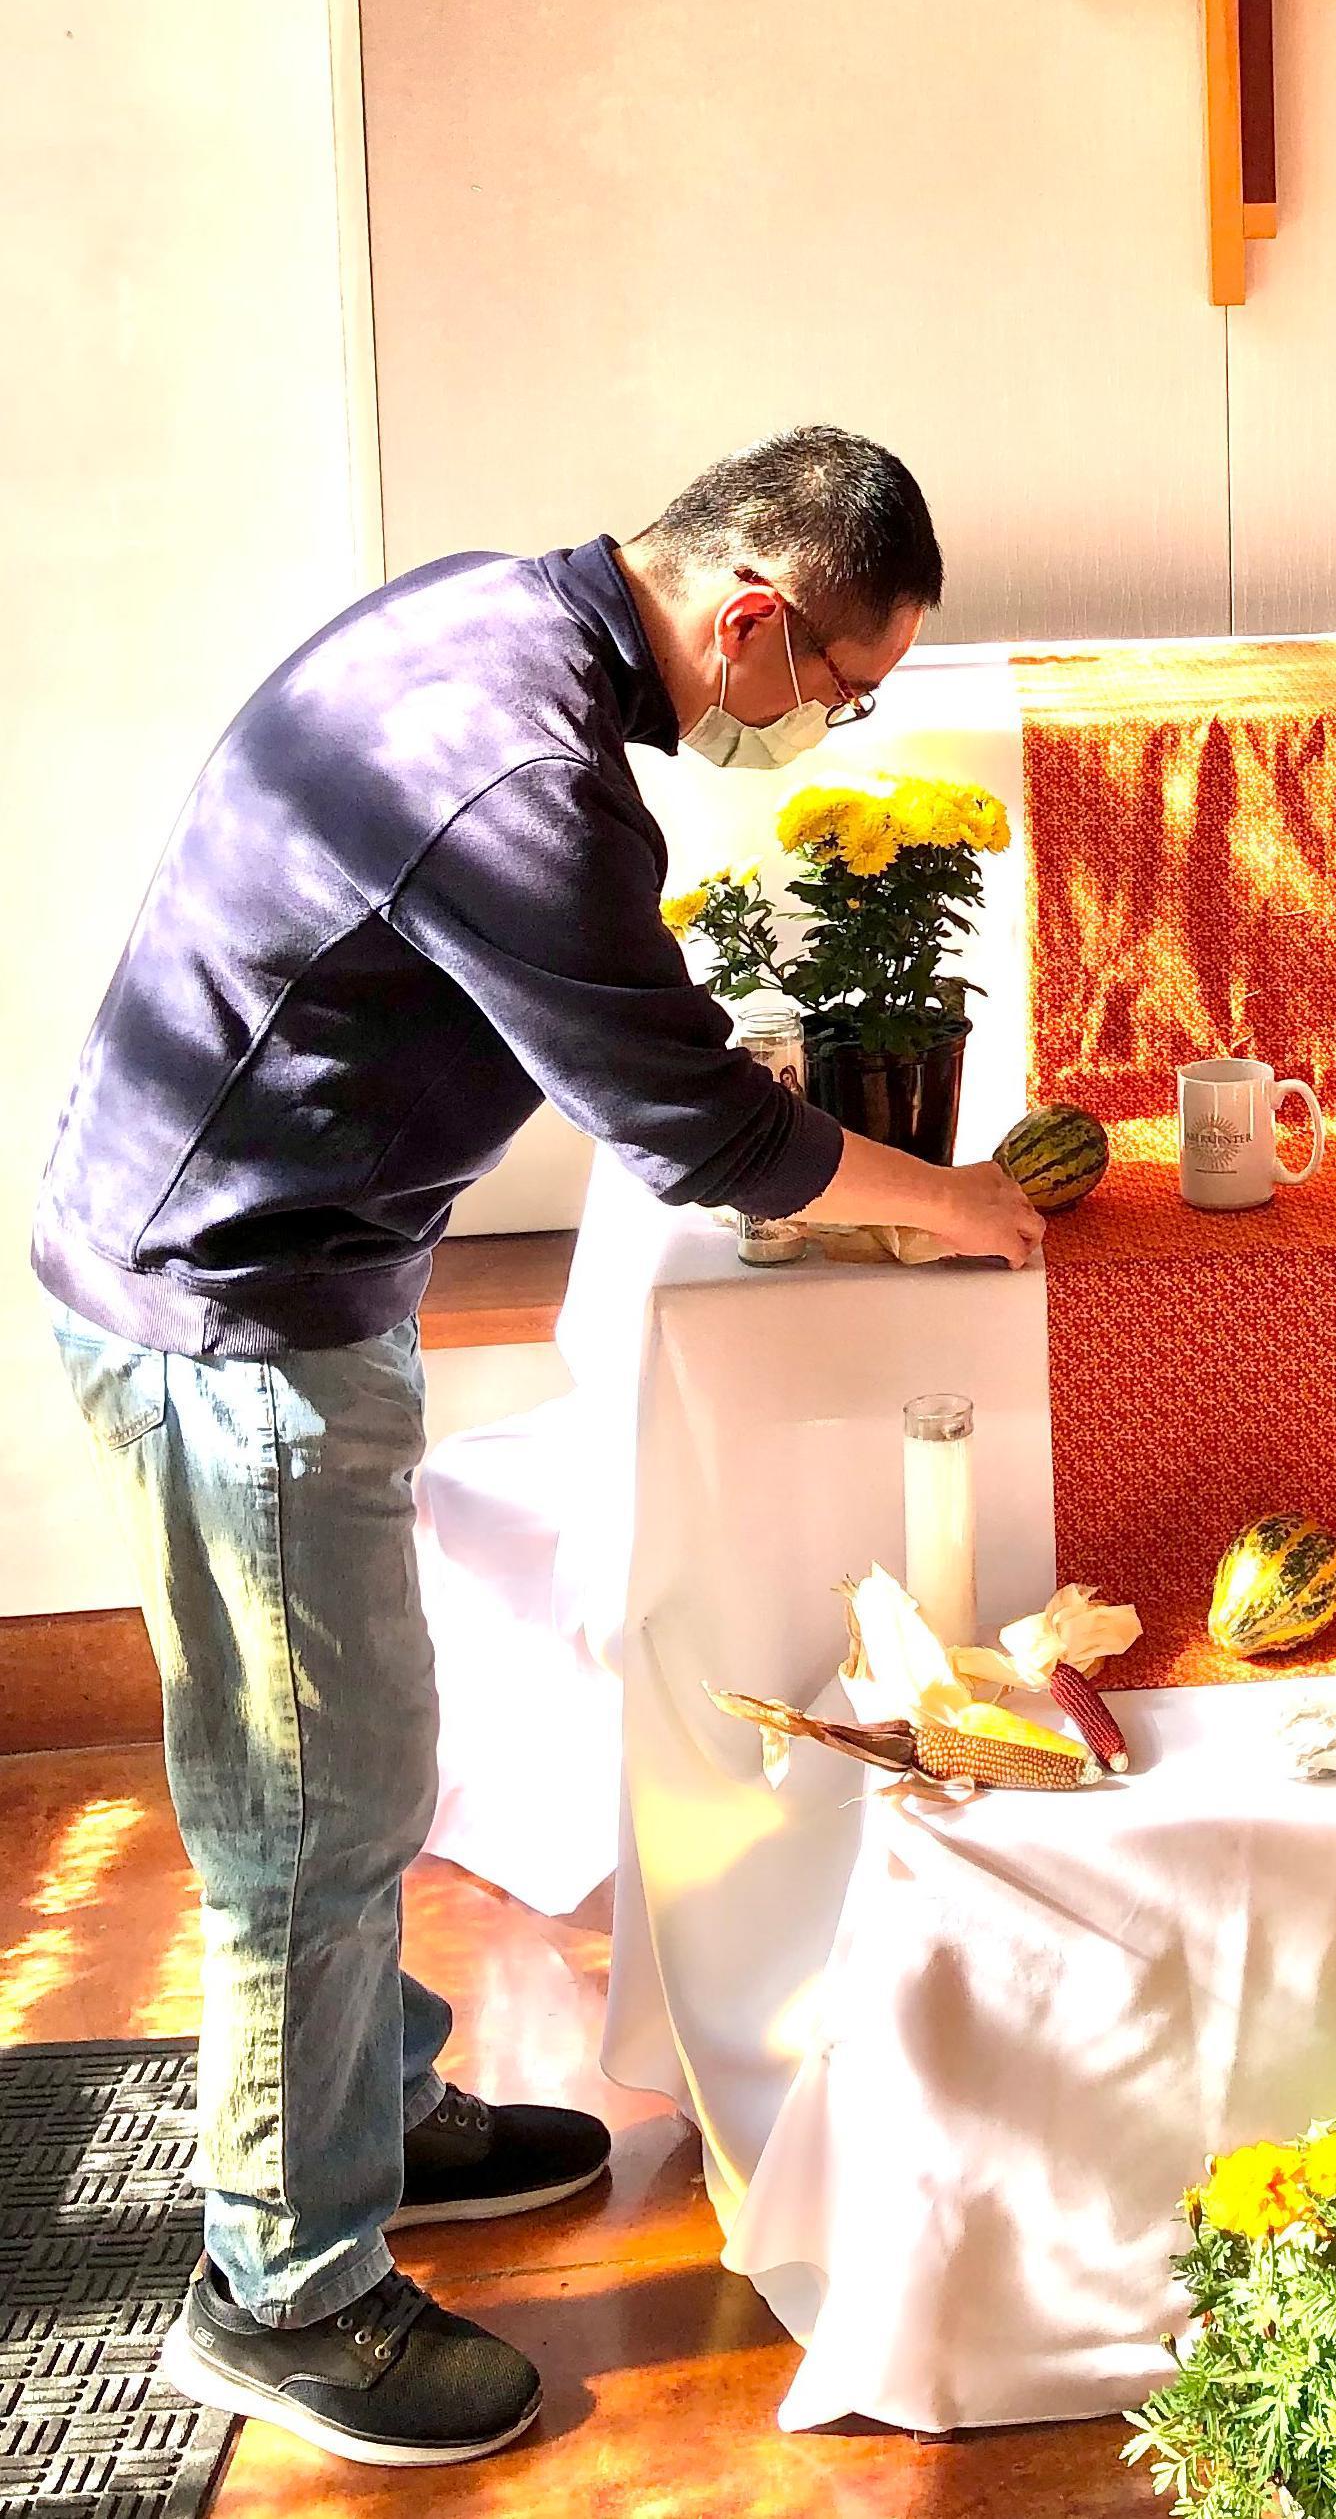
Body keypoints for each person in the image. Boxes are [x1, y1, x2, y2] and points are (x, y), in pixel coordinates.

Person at [35, 427, 1044, 2469]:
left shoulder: (500, 624)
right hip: (228, 1306)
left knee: (362, 1752)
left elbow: (570, 997)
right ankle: (282, 2292)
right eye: (842, 688)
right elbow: (696, 1134)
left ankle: (376, 2106)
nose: (829, 727)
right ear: (750, 616)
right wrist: (955, 1203)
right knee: (302, 1813)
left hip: (274, 1258)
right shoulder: (524, 762)